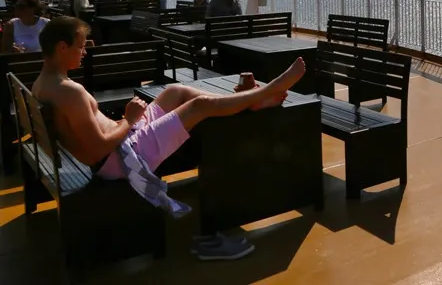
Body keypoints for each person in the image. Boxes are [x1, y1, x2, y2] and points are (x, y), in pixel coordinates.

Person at [32, 17, 304, 259]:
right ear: (62, 47)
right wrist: (129, 119)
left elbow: (92, 140)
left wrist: (127, 121)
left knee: (176, 92)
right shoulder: (69, 92)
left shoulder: (44, 83)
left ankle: (246, 101)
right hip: (122, 158)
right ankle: (268, 90)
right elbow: (96, 150)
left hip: (120, 145)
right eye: (80, 46)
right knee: (199, 107)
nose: (85, 51)